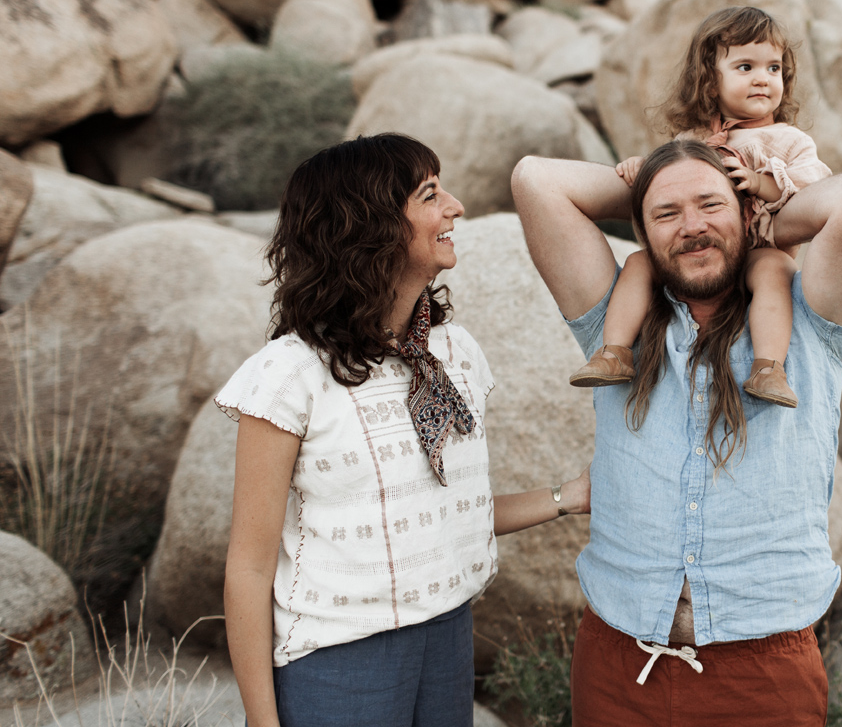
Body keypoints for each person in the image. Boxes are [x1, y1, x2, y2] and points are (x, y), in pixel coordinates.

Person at [511, 136, 842, 725]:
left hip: (763, 674)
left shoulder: (811, 318)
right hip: (619, 666)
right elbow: (535, 179)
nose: (691, 227)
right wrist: (663, 176)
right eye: (666, 215)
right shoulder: (615, 318)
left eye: (709, 205)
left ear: (746, 212)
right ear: (643, 232)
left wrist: (754, 202)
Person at [218, 133, 590, 727]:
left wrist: (566, 499)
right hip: (340, 661)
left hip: (447, 638)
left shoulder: (454, 354)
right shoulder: (289, 376)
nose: (457, 207)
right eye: (430, 195)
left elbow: (447, 513)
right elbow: (249, 569)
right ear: (370, 224)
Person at [569, 6, 832, 409]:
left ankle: (768, 367)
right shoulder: (693, 139)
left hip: (757, 250)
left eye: (774, 68)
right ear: (710, 82)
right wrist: (644, 167)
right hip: (700, 251)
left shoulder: (789, 141)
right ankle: (615, 352)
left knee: (776, 270)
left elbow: (815, 187)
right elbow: (671, 174)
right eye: (746, 67)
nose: (763, 78)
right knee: (639, 262)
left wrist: (761, 184)